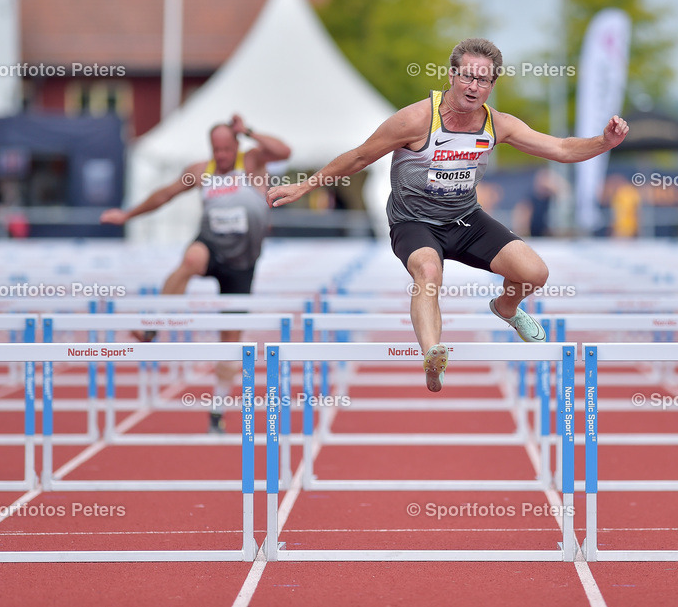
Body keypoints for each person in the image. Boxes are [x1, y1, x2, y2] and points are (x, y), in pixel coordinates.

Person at [268, 38, 628, 392]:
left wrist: (604, 142)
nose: (473, 87)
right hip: (414, 221)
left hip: (465, 219)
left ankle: (506, 308)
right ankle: (431, 354)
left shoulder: (497, 124)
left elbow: (562, 149)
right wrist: (304, 186)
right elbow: (361, 156)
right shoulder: (415, 120)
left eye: (483, 80)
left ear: (492, 85)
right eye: (467, 77)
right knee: (427, 271)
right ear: (452, 76)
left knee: (534, 273)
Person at [101, 114, 290, 433]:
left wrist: (251, 132)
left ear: (236, 145)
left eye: (226, 149)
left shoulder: (253, 162)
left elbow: (284, 151)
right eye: (216, 150)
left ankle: (217, 408)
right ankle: (152, 326)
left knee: (231, 342)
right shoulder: (201, 172)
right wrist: (128, 215)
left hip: (242, 262)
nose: (221, 156)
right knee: (191, 258)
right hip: (211, 248)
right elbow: (164, 194)